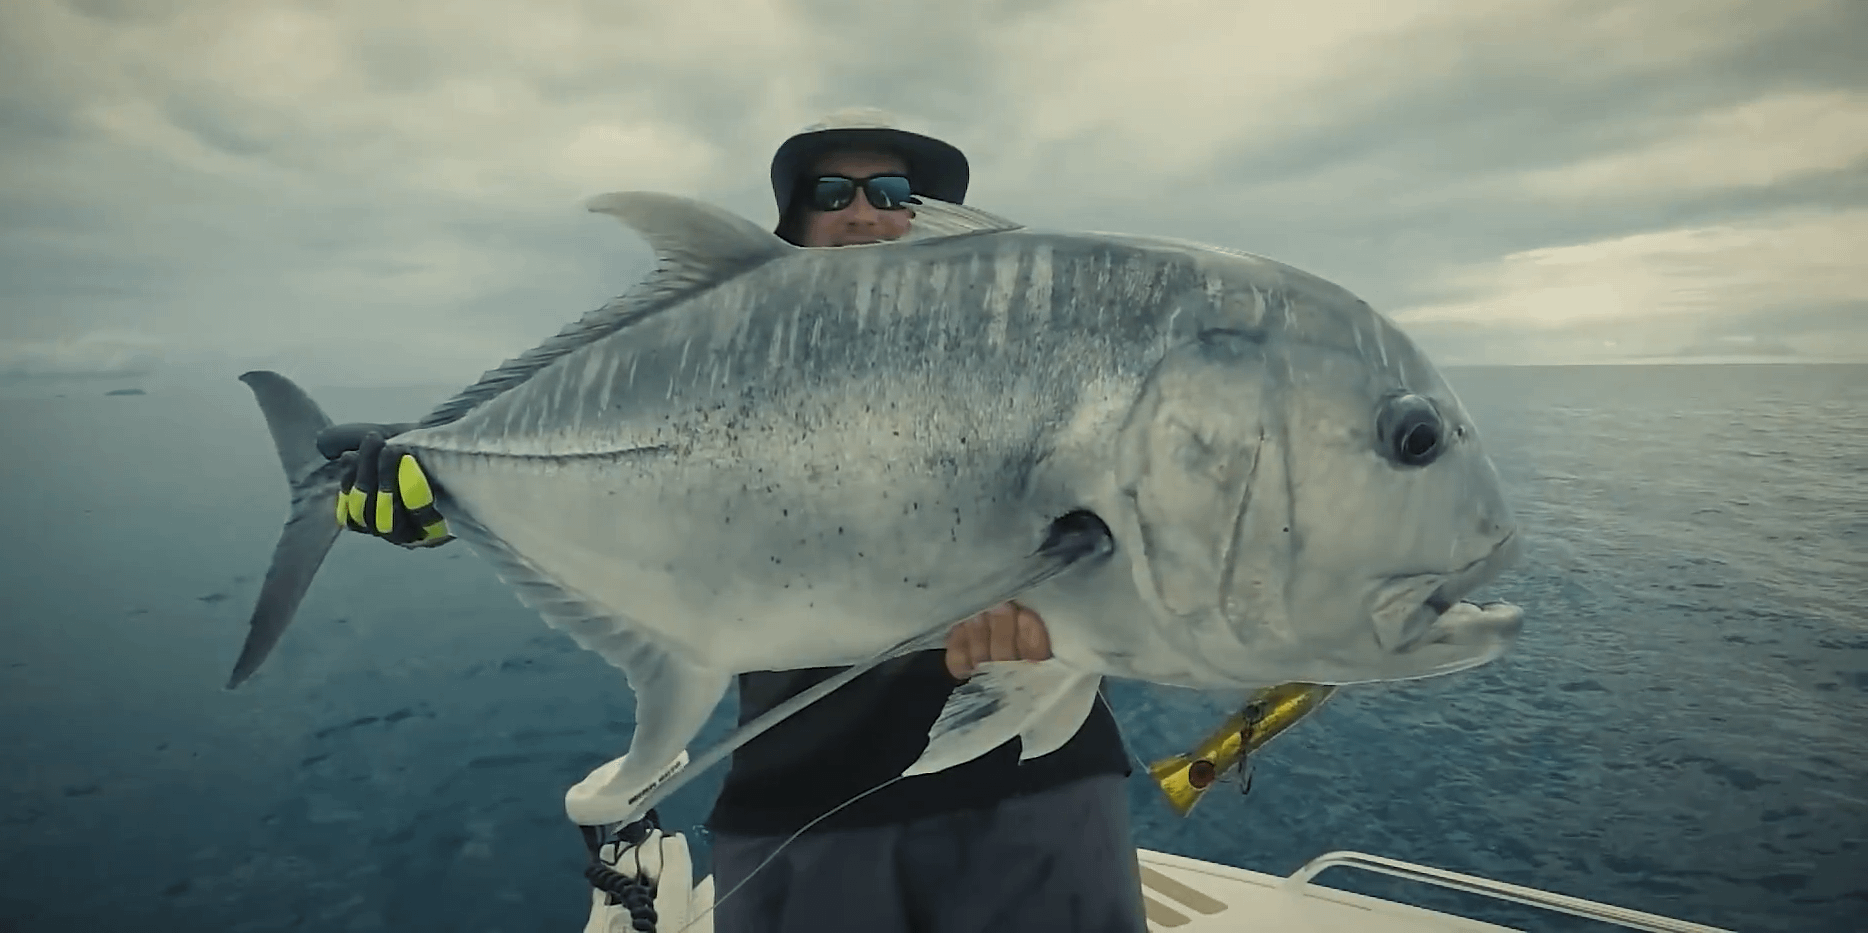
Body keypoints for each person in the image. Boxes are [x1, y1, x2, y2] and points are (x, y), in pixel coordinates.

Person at [332, 109, 1148, 933]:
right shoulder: (708, 374)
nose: (863, 213)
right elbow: (596, 464)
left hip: (1040, 786)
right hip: (801, 809)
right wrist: (441, 488)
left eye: (894, 192)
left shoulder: (1042, 370)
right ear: (790, 226)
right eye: (831, 192)